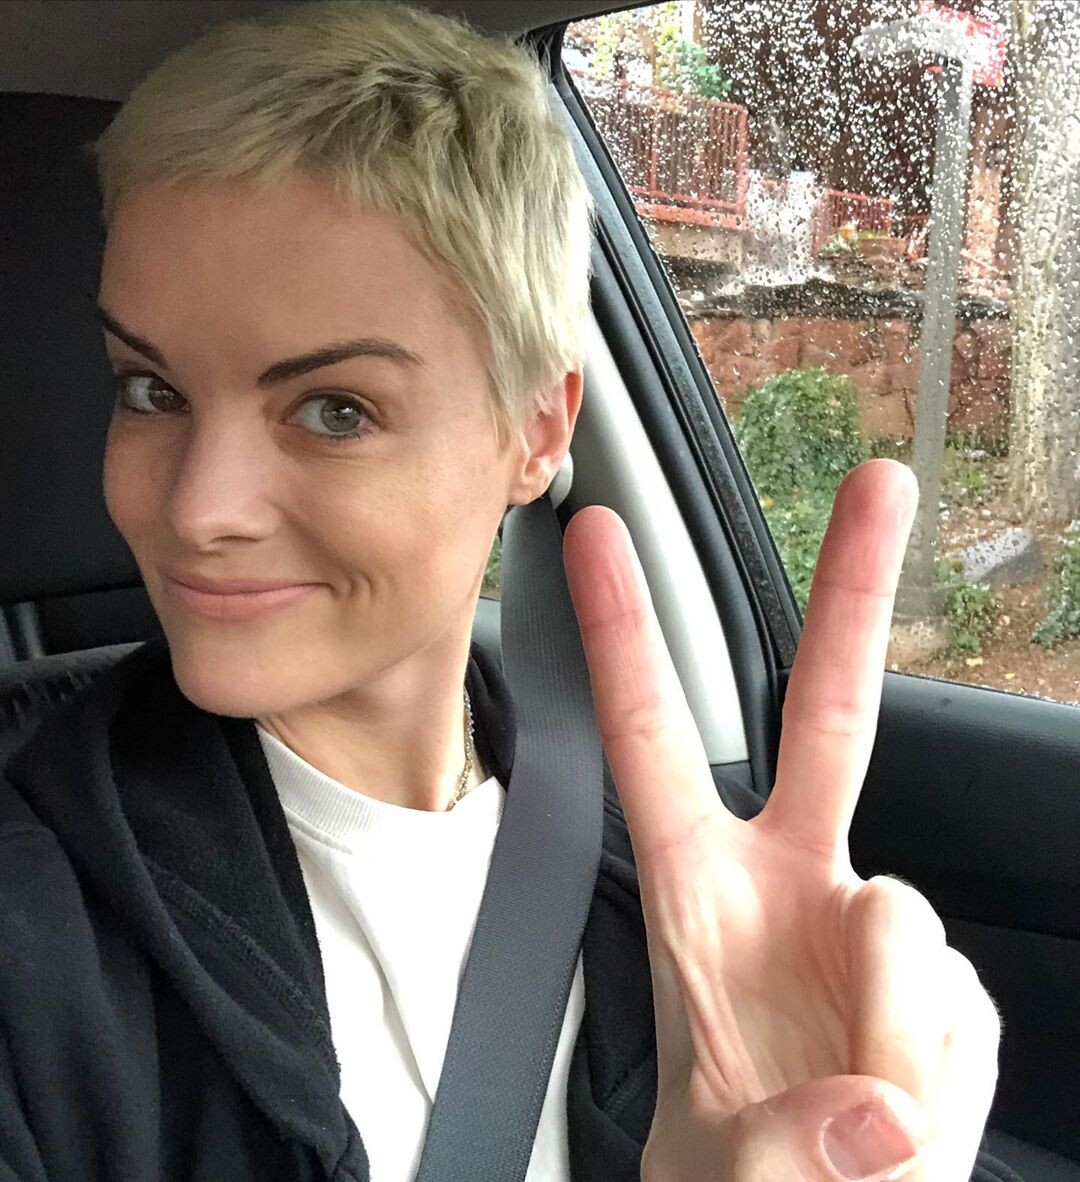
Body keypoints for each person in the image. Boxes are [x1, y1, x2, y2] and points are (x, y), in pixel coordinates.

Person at [0, 3, 1018, 1181]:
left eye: (334, 410)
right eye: (152, 391)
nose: (197, 509)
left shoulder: (676, 886)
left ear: (537, 432)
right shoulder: (36, 939)